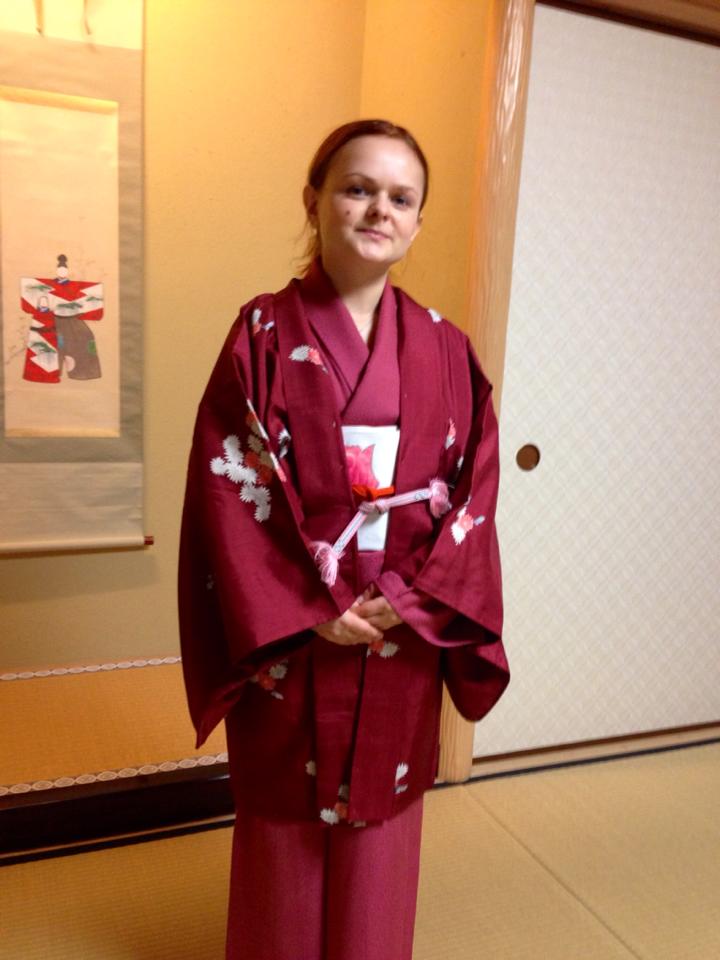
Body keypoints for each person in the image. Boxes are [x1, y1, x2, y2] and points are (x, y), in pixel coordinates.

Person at [178, 119, 510, 960]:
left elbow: (473, 489)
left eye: (401, 197)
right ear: (315, 200)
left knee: (383, 827)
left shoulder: (445, 347)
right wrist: (309, 604)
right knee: (283, 820)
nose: (378, 209)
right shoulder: (261, 333)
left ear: (419, 220)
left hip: (401, 621)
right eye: (357, 188)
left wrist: (409, 594)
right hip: (295, 627)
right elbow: (230, 480)